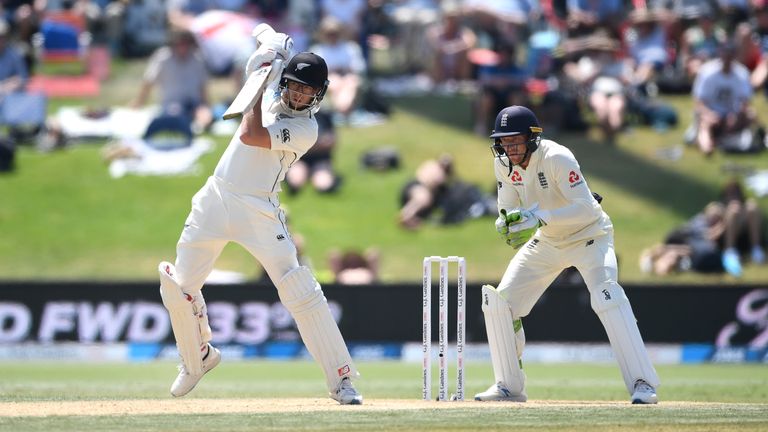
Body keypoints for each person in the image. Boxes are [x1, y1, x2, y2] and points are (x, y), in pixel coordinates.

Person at [156, 39, 363, 405]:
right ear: (285, 83)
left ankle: (342, 379)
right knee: (178, 286)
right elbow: (260, 37)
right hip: (215, 198)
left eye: (307, 91)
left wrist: (258, 82)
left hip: (259, 209)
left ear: (318, 95)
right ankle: (197, 358)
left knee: (299, 289)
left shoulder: (306, 129)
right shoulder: (271, 88)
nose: (298, 96)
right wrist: (266, 52)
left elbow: (251, 134)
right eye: (295, 86)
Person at [474, 105, 659, 404]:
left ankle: (643, 384)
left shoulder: (557, 157)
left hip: (590, 236)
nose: (509, 148)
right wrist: (506, 221)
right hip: (547, 240)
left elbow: (587, 207)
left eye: (515, 141)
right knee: (500, 305)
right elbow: (508, 206)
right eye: (504, 142)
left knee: (606, 296)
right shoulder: (504, 164)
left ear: (533, 138)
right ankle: (509, 386)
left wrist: (539, 216)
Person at [132, 29, 212, 134]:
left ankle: (196, 129)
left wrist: (206, 105)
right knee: (175, 115)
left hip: (193, 104)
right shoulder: (162, 57)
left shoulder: (197, 58)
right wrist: (140, 102)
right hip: (172, 104)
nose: (183, 47)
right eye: (180, 44)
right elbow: (148, 81)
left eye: (186, 43)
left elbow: (202, 86)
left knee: (205, 115)